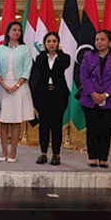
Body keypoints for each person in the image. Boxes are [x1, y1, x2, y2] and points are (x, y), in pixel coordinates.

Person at [79, 30, 111, 168]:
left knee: (105, 129)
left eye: (102, 39)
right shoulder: (88, 56)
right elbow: (84, 76)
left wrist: (106, 94)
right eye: (97, 39)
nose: (99, 42)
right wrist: (93, 93)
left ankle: (103, 158)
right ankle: (92, 157)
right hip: (90, 99)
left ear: (110, 42)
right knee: (92, 128)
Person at [0, 21, 34, 163]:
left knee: (16, 120)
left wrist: (16, 86)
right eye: (14, 29)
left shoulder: (25, 49)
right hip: (2, 86)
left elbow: (27, 69)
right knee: (4, 120)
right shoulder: (0, 49)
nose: (16, 32)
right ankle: (4, 150)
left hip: (19, 86)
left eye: (19, 30)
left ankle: (13, 151)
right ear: (8, 32)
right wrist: (4, 85)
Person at [30, 32, 71, 166]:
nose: (51, 44)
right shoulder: (40, 57)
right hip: (43, 94)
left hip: (58, 94)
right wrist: (43, 53)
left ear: (58, 43)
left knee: (56, 125)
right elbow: (38, 67)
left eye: (54, 41)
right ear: (45, 44)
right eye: (48, 41)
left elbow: (65, 64)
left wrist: (60, 53)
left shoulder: (64, 57)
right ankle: (43, 153)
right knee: (44, 125)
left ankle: (56, 154)